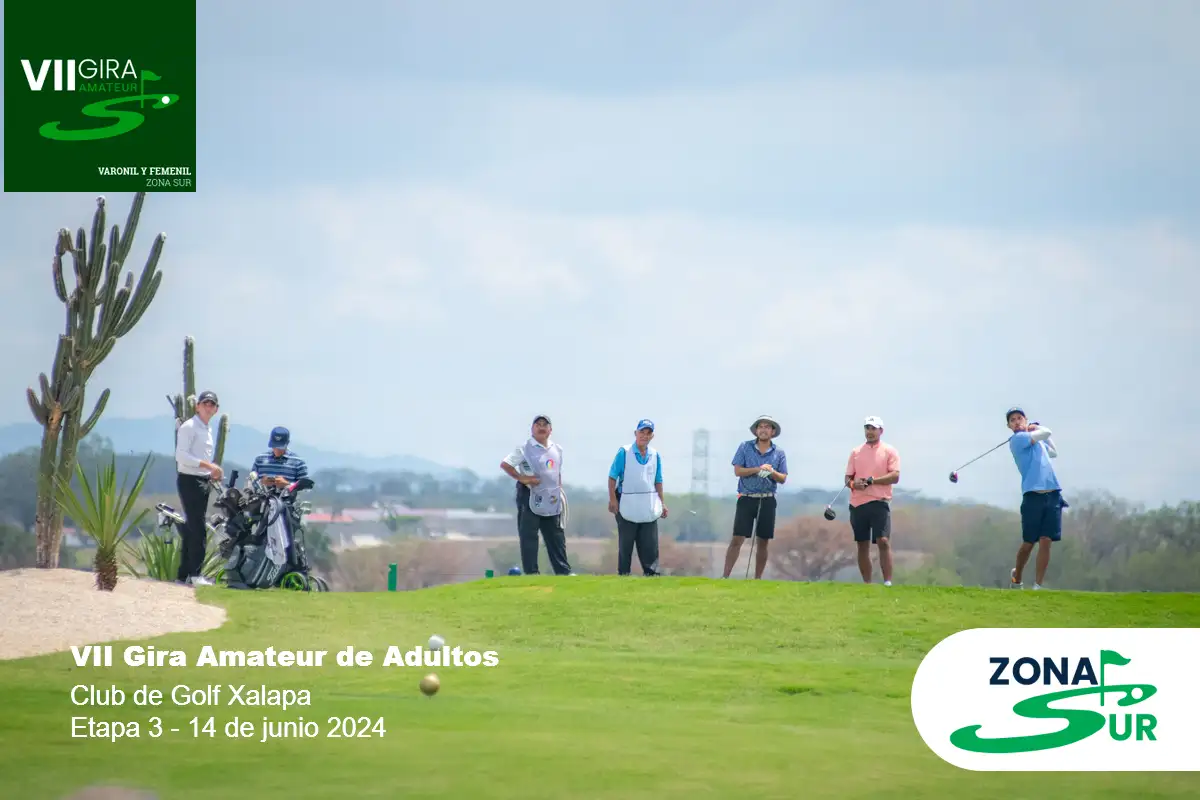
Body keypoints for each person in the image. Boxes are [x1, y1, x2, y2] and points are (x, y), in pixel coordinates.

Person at [499, 415, 573, 576]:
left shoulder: (557, 449)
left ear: (550, 430)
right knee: (529, 536)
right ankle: (532, 572)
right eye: (538, 424)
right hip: (529, 495)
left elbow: (557, 472)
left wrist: (559, 489)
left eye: (545, 425)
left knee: (556, 535)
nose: (541, 427)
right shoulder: (524, 448)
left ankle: (563, 571)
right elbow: (506, 464)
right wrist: (522, 478)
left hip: (552, 497)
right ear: (532, 429)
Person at [1005, 406, 1066, 590]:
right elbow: (1047, 432)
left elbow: (1053, 452)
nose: (1016, 422)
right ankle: (1017, 577)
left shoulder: (1036, 441)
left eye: (1020, 418)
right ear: (1009, 426)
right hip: (1033, 495)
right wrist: (1035, 427)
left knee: (1046, 541)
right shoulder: (1017, 439)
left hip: (1052, 493)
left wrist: (1035, 430)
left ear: (1025, 420)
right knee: (1029, 543)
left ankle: (1038, 585)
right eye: (1012, 420)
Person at [722, 415, 788, 579]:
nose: (763, 430)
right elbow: (738, 471)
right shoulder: (745, 447)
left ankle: (757, 579)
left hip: (767, 499)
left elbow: (783, 478)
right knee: (737, 538)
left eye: (767, 427)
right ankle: (725, 576)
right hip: (746, 498)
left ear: (773, 432)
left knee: (763, 541)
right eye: (761, 427)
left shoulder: (779, 452)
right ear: (756, 430)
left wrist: (771, 472)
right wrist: (757, 469)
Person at [173, 390, 224, 586]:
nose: (208, 407)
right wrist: (209, 466)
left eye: (212, 404)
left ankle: (184, 574)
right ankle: (195, 574)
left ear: (216, 409)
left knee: (192, 527)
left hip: (202, 481)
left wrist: (210, 471)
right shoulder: (189, 427)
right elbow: (181, 456)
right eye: (205, 404)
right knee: (198, 528)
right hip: (190, 480)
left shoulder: (206, 428)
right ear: (198, 406)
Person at [844, 416, 901, 586]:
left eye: (873, 428)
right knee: (862, 544)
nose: (870, 432)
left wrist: (873, 481)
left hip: (880, 501)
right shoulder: (856, 452)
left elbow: (895, 476)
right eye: (867, 428)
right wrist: (854, 484)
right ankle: (867, 583)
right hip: (857, 503)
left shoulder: (889, 451)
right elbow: (847, 479)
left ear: (880, 431)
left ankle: (887, 582)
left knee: (883, 541)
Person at [608, 419, 668, 576]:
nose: (644, 436)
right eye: (642, 432)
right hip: (626, 502)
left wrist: (662, 503)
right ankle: (624, 574)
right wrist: (613, 500)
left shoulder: (654, 455)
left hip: (648, 504)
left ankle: (652, 575)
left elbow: (658, 480)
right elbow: (612, 477)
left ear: (652, 436)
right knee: (626, 544)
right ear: (636, 433)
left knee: (650, 544)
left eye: (648, 433)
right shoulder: (624, 452)